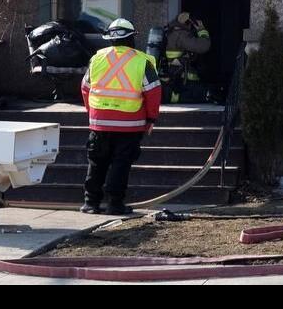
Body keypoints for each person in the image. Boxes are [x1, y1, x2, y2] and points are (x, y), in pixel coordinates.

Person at [80, 18, 162, 215]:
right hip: (129, 124)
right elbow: (153, 92)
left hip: (99, 123)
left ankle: (90, 203)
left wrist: (93, 114)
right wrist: (151, 119)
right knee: (120, 164)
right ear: (132, 38)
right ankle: (115, 204)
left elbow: (85, 88)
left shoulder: (97, 58)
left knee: (97, 162)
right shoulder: (142, 61)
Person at [163, 11, 212, 103]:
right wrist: (202, 30)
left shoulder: (169, 32)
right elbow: (204, 46)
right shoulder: (181, 35)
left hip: (172, 78)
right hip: (184, 80)